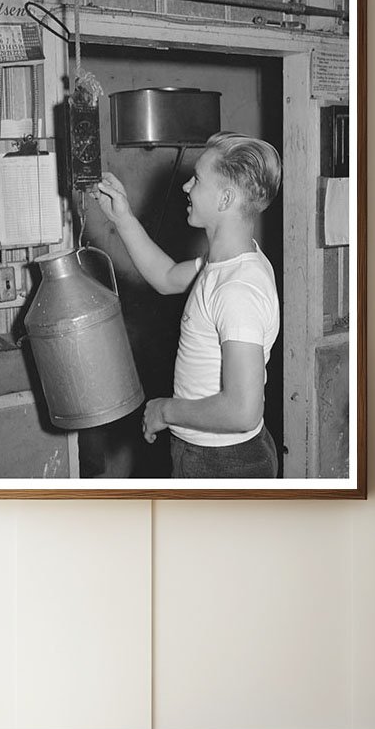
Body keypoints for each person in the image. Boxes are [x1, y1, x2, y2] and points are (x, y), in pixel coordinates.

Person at [94, 131, 281, 478]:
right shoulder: (225, 264)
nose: (186, 187)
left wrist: (165, 410)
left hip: (221, 462)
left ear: (225, 199)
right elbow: (165, 276)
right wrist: (123, 218)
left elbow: (243, 412)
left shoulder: (237, 290)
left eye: (197, 179)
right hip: (211, 453)